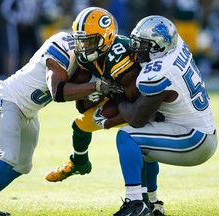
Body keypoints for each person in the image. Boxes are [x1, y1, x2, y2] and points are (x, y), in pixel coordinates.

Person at [0, 29, 122, 216]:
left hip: (29, 112)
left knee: (22, 166)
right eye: (86, 41)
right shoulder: (62, 46)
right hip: (8, 99)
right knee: (7, 158)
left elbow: (80, 101)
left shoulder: (85, 58)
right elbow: (57, 91)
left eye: (93, 42)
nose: (89, 46)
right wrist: (95, 86)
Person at [44, 7, 164, 215]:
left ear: (106, 37)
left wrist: (109, 113)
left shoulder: (120, 57)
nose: (83, 47)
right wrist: (95, 91)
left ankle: (151, 202)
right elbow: (68, 95)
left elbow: (138, 107)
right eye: (80, 40)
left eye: (88, 41)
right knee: (80, 124)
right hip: (120, 98)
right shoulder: (88, 55)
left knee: (142, 150)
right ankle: (79, 162)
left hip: (143, 104)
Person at [111, 15, 217, 216]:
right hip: (198, 129)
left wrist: (116, 95)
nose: (135, 48)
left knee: (128, 136)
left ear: (158, 47)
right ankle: (152, 204)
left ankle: (135, 204)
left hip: (194, 139)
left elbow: (135, 118)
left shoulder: (158, 73)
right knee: (145, 143)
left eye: (142, 44)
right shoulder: (175, 47)